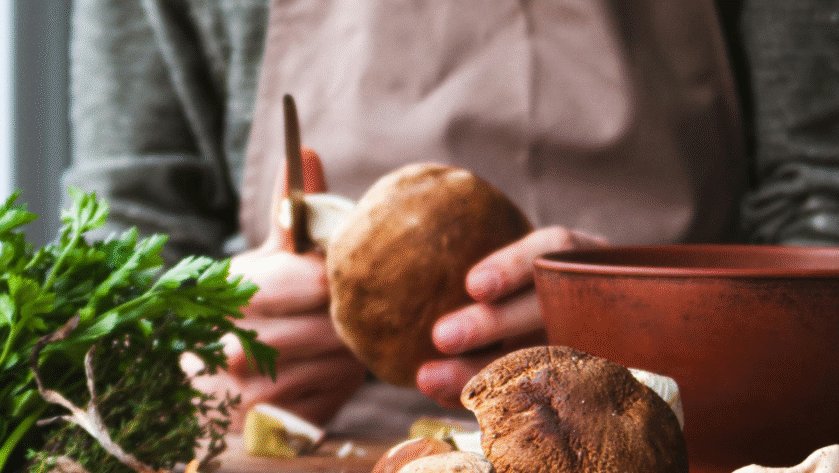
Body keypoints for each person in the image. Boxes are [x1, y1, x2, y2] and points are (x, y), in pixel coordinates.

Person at [64, 0, 839, 428]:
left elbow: (820, 204)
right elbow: (121, 237)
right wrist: (176, 369)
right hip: (298, 469)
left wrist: (645, 329)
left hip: (679, 452)